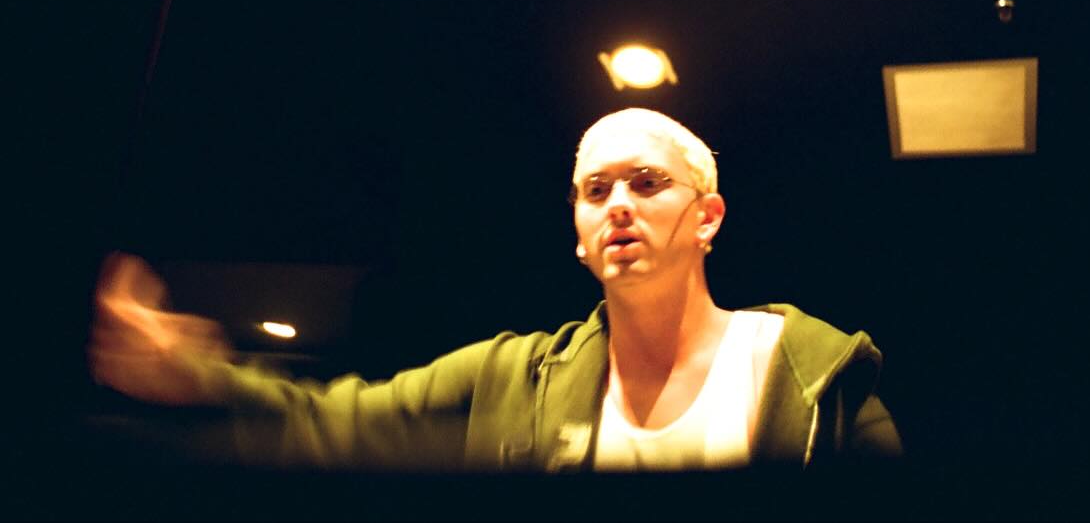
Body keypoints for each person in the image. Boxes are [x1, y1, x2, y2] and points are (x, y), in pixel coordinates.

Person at [90, 108, 902, 471]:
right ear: (579, 233)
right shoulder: (513, 377)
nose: (618, 204)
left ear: (707, 217)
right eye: (595, 191)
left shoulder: (811, 374)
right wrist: (197, 377)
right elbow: (331, 420)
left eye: (648, 182)